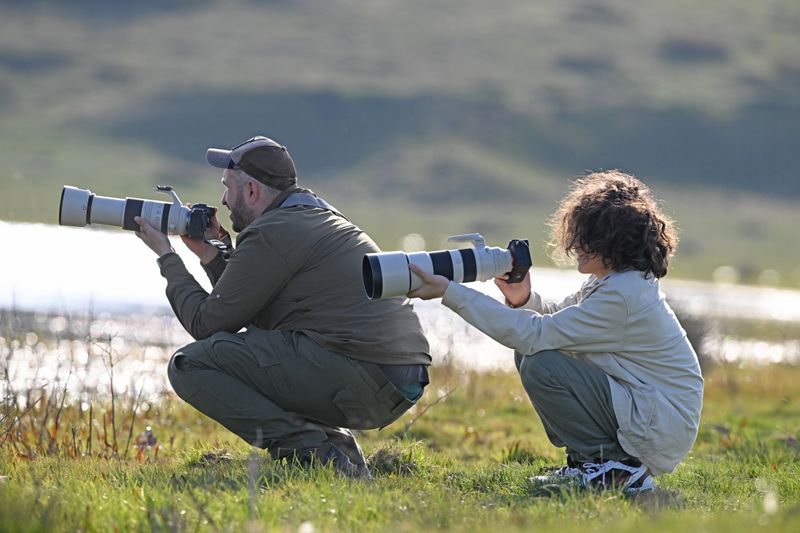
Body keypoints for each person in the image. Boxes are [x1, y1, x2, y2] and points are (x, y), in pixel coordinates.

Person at [135, 135, 430, 477]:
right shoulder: (310, 215)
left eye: (228, 187)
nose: (223, 200)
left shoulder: (274, 231)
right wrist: (211, 255)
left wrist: (167, 256)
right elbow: (251, 312)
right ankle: (338, 453)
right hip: (393, 377)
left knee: (189, 365)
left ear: (251, 192)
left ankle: (314, 452)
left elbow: (206, 323)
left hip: (365, 374)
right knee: (269, 349)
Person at [408, 170, 703, 494]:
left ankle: (615, 470)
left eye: (585, 236)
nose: (574, 243)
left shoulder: (621, 294)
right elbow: (554, 322)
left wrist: (449, 292)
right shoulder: (615, 282)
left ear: (612, 241)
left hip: (658, 425)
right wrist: (522, 299)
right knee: (533, 352)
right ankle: (592, 463)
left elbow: (537, 334)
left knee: (541, 361)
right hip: (651, 413)